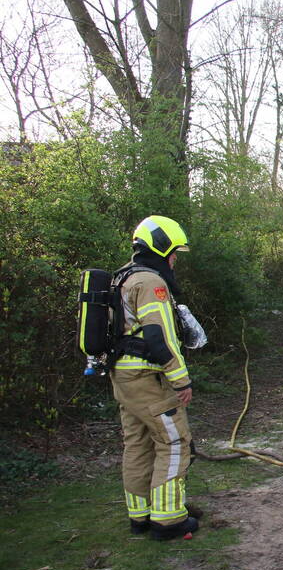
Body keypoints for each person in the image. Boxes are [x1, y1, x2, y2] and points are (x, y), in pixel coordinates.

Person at [110, 215, 200, 541]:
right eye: (174, 251)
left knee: (137, 443)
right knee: (174, 441)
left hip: (123, 377)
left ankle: (140, 515)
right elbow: (159, 338)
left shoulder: (121, 278)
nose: (175, 259)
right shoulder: (150, 283)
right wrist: (181, 381)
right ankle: (169, 520)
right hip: (149, 378)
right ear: (161, 247)